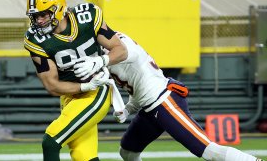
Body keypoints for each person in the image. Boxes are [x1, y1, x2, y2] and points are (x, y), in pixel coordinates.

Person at [98, 32, 263, 161]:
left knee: (209, 151)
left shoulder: (119, 46)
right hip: (150, 106)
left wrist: (101, 62)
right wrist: (128, 109)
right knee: (127, 151)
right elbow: (137, 82)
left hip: (164, 101)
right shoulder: (106, 49)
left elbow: (130, 53)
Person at [23, 0, 129, 160]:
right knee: (83, 157)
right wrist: (85, 86)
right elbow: (52, 85)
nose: (39, 20)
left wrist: (100, 60)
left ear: (58, 9)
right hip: (71, 95)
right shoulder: (35, 39)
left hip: (98, 90)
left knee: (51, 141)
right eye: (35, 16)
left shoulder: (87, 16)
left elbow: (121, 50)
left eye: (43, 14)